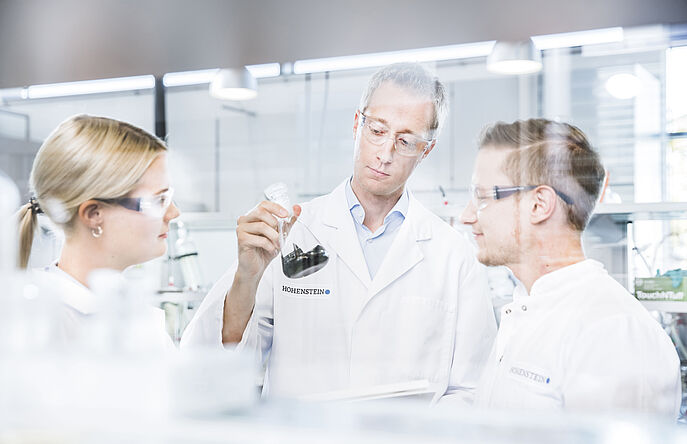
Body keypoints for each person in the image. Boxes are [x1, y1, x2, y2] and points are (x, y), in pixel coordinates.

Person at [182, 63, 497, 402]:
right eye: (377, 130)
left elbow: (473, 388)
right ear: (356, 125)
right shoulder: (291, 234)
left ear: (426, 150)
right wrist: (247, 276)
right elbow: (216, 363)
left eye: (405, 141)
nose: (385, 153)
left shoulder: (453, 254)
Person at [460, 118, 681, 416]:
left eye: (482, 197)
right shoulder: (528, 309)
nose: (467, 215)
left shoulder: (613, 331)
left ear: (539, 205)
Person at [17, 114, 180, 348]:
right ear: (94, 214)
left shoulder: (136, 315)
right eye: (159, 200)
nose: (174, 212)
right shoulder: (37, 327)